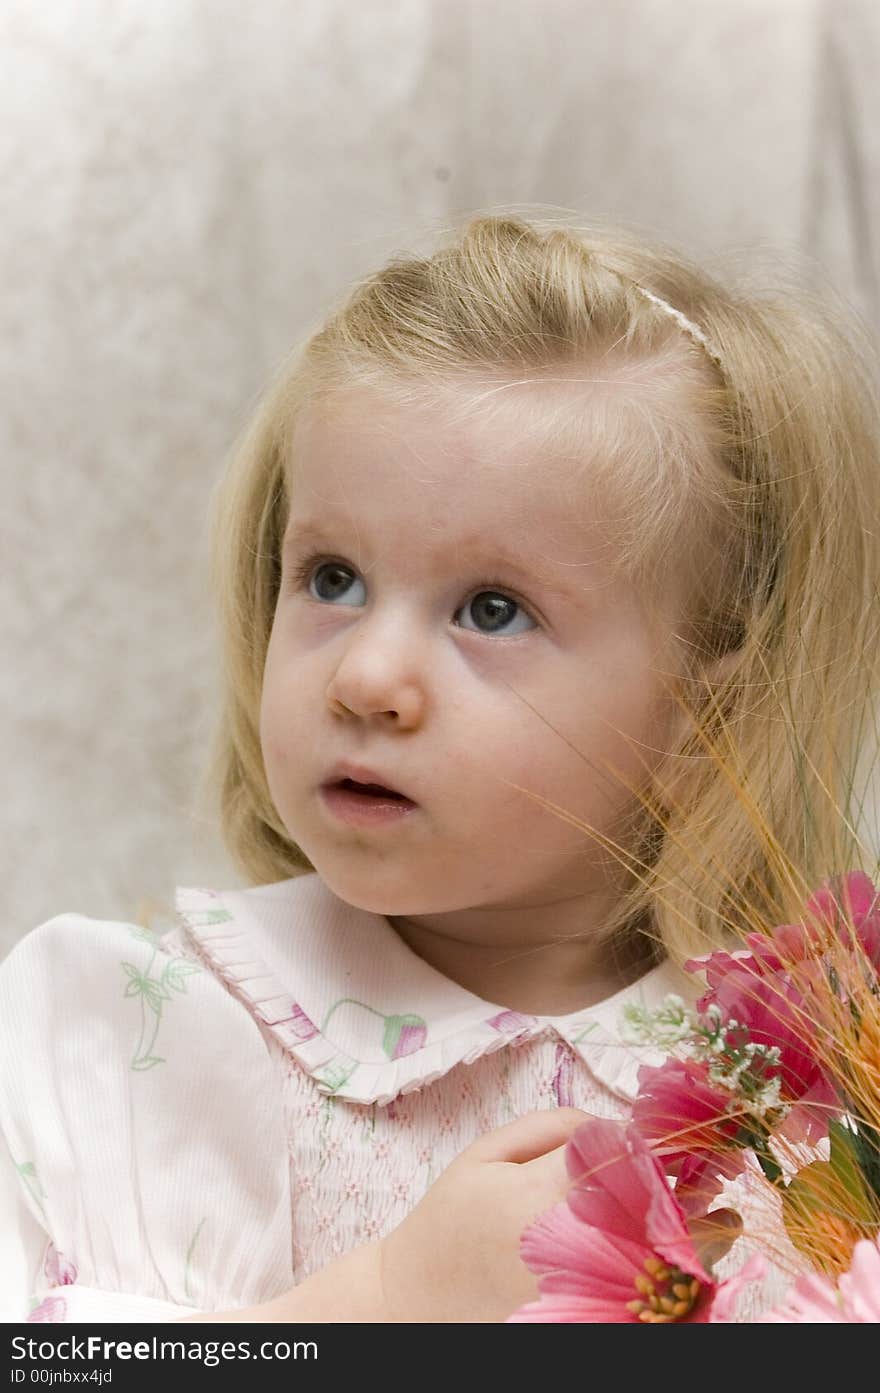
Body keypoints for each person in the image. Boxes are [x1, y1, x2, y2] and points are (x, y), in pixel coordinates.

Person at [2, 214, 879, 1324]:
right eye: (330, 577)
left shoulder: (805, 1096)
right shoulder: (149, 1044)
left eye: (490, 609)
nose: (367, 676)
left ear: (709, 711)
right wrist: (390, 1296)